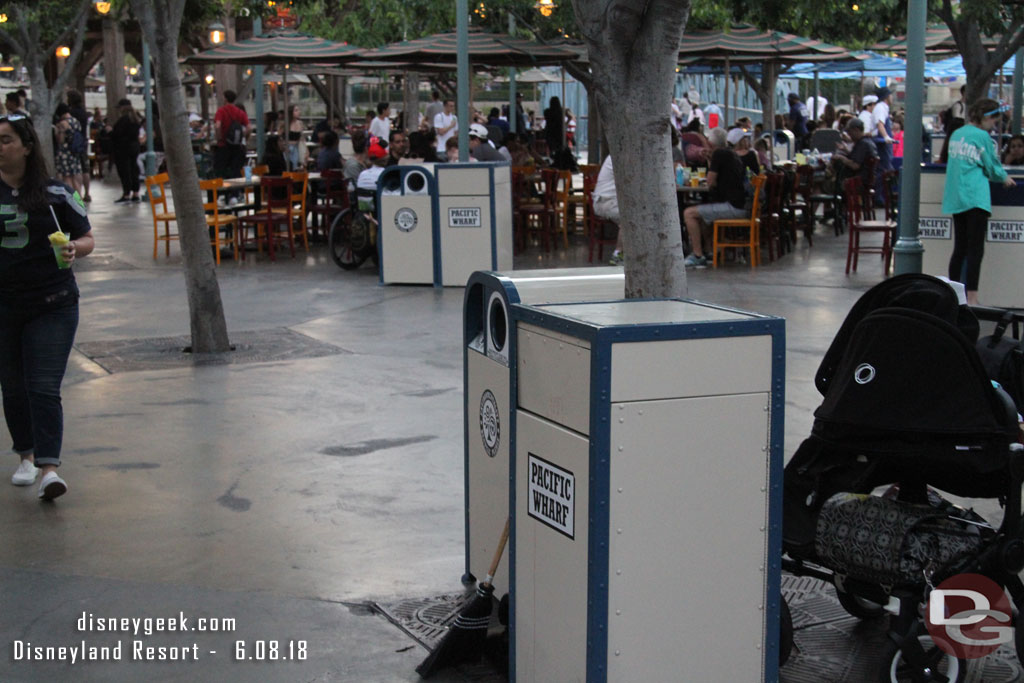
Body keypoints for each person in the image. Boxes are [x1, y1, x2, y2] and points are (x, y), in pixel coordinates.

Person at [0, 114, 95, 500]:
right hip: (4, 304)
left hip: (53, 303)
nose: (0, 147)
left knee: (42, 384)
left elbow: (87, 237)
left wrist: (75, 249)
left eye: (6, 140)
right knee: (13, 384)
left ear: (26, 146)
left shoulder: (55, 193)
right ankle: (25, 455)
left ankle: (49, 470)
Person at [942, 99, 1016, 305]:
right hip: (976, 197)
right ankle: (973, 296)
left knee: (960, 248)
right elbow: (991, 166)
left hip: (956, 197)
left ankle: (954, 293)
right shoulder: (982, 137)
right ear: (986, 117)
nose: (994, 126)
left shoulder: (957, 134)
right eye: (994, 121)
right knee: (976, 249)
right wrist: (1005, 178)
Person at [682, 127, 748, 268]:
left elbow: (710, 182)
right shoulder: (730, 153)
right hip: (740, 204)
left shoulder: (719, 154)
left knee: (689, 213)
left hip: (733, 207)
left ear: (711, 143)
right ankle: (709, 250)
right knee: (703, 211)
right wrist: (709, 159)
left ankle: (698, 255)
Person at [591, 154, 622, 264]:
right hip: (605, 202)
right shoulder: (619, 156)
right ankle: (618, 254)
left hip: (610, 201)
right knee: (630, 218)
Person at [213, 89, 250, 182]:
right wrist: (244, 136)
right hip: (236, 146)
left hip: (223, 145)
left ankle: (223, 193)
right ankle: (235, 193)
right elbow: (249, 127)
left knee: (221, 170)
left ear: (225, 99)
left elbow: (218, 125)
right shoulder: (240, 112)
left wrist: (218, 137)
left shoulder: (221, 111)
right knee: (235, 170)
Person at [110, 98, 142, 203]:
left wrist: (110, 131)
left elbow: (117, 134)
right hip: (134, 147)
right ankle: (136, 193)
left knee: (125, 171)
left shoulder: (123, 120)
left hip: (123, 149)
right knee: (133, 169)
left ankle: (126, 193)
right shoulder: (136, 118)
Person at [832, 117, 878, 187]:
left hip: (859, 180)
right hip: (863, 177)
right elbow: (856, 157)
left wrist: (841, 158)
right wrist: (845, 150)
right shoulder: (865, 141)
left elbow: (855, 165)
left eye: (849, 132)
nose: (849, 135)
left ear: (856, 130)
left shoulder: (863, 144)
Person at [53, 104, 84, 197]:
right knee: (75, 176)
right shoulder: (76, 121)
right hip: (75, 152)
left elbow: (61, 140)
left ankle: (72, 197)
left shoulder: (63, 123)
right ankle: (79, 197)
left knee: (67, 177)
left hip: (65, 153)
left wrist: (58, 132)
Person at [66, 91, 91, 202]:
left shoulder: (72, 113)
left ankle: (78, 193)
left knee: (77, 170)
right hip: (83, 142)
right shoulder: (83, 112)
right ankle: (87, 193)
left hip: (74, 144)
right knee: (85, 168)